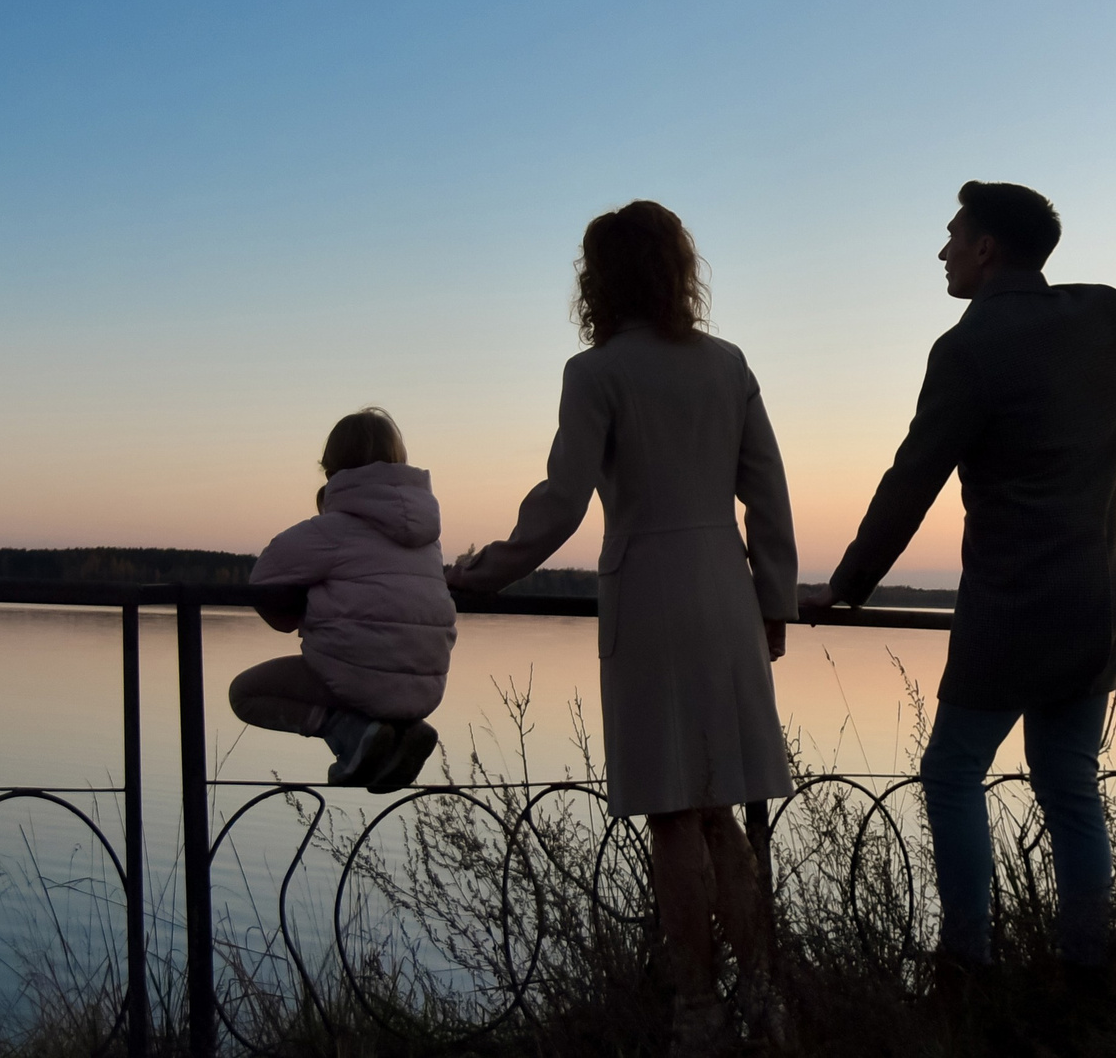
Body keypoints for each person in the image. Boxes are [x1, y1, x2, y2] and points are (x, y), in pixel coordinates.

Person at [800, 175, 1116, 994]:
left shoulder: (967, 347)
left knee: (952, 771)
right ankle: (1087, 969)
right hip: (1098, 607)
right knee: (1068, 782)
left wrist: (846, 587)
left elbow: (911, 479)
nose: (944, 250)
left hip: (1011, 607)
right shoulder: (1104, 316)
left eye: (954, 236)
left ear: (987, 250)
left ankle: (966, 962)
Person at [450, 200, 797, 1055]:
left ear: (597, 280)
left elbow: (562, 502)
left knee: (674, 815)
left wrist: (480, 571)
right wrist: (774, 603)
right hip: (726, 592)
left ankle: (697, 1009)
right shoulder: (729, 363)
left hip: (647, 597)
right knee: (722, 807)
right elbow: (771, 495)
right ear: (679, 270)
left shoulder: (595, 371)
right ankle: (762, 997)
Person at [233, 407, 453, 793]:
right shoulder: (428, 539)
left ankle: (351, 736)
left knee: (246, 694)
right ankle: (403, 731)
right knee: (364, 670)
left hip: (359, 678)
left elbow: (263, 582)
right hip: (425, 687)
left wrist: (303, 611)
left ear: (332, 472)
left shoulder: (330, 531)